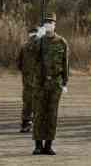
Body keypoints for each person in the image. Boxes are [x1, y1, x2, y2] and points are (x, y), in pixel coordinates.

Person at [31, 13, 69, 156]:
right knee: (39, 114)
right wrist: (36, 38)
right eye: (46, 23)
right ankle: (38, 145)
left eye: (51, 23)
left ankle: (49, 144)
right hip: (40, 82)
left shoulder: (61, 42)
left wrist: (65, 82)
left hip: (55, 83)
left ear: (55, 25)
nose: (48, 25)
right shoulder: (39, 41)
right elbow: (30, 53)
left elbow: (65, 63)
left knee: (52, 115)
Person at [17, 27, 38, 133]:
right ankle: (37, 122)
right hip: (38, 78)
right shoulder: (40, 46)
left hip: (27, 78)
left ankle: (25, 123)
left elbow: (19, 63)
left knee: (27, 101)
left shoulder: (24, 46)